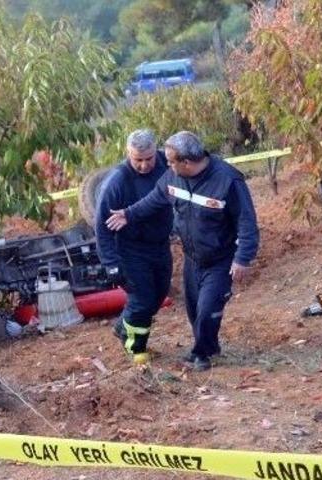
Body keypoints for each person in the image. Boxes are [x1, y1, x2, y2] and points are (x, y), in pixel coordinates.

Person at [106, 131, 259, 371]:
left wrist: (243, 258)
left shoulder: (227, 181)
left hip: (220, 259)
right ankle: (209, 344)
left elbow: (247, 222)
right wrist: (128, 214)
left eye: (170, 161)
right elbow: (154, 199)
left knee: (209, 308)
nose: (166, 165)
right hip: (192, 257)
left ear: (186, 162)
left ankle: (201, 354)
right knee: (195, 308)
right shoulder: (173, 177)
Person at [94, 129, 174, 366]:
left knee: (158, 296)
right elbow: (102, 226)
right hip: (131, 249)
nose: (144, 165)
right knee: (141, 300)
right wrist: (111, 264)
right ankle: (136, 349)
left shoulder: (166, 164)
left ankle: (122, 327)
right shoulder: (117, 181)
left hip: (160, 245)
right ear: (128, 153)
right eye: (137, 159)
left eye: (148, 158)